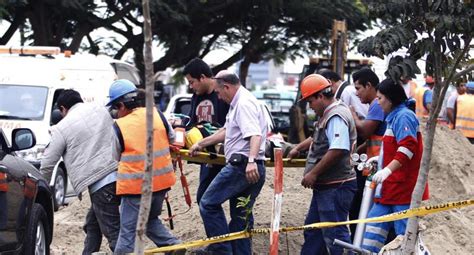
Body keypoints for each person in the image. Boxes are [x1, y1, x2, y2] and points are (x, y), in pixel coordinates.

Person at [189, 71, 267, 255]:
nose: (218, 96)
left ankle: (221, 251)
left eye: (218, 92)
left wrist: (250, 161)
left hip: (242, 167)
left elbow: (255, 134)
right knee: (241, 216)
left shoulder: (243, 104)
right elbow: (226, 132)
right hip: (248, 167)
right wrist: (201, 143)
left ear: (227, 87)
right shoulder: (239, 103)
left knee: (207, 204)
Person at [40, 89, 120, 254]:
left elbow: (48, 162)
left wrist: (41, 187)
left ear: (63, 108)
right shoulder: (100, 109)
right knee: (92, 224)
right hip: (121, 175)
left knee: (114, 234)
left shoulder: (61, 127)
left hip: (101, 184)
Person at [107, 80, 183, 254]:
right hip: (161, 184)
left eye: (116, 108)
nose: (116, 113)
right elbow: (173, 139)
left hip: (136, 188)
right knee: (149, 220)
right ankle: (173, 246)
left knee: (128, 233)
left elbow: (115, 156)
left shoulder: (120, 126)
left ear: (121, 105)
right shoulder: (158, 115)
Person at [287, 74, 357, 254]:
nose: (310, 107)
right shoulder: (329, 113)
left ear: (320, 96)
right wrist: (299, 147)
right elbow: (319, 137)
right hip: (327, 187)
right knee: (314, 231)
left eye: (310, 102)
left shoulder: (335, 115)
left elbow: (338, 148)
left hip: (335, 186)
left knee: (335, 236)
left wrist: (313, 173)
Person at [362, 79, 429, 253]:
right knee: (372, 233)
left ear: (390, 99)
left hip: (403, 191)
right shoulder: (394, 118)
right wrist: (381, 163)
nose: (378, 102)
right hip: (389, 190)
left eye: (380, 98)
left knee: (405, 240)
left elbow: (407, 148)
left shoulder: (404, 116)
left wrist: (386, 171)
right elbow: (393, 150)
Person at [182, 58, 230, 204]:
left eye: (191, 82)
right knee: (203, 199)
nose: (191, 87)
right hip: (207, 155)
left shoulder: (223, 93)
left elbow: (231, 127)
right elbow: (191, 123)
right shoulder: (196, 96)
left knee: (234, 202)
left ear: (202, 77)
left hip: (227, 154)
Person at [349, 68, 386, 239]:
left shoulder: (377, 105)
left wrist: (353, 116)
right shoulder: (376, 105)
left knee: (360, 206)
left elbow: (365, 131)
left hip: (376, 167)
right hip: (372, 165)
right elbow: (372, 139)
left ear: (369, 85)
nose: (356, 94)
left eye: (358, 88)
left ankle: (360, 241)